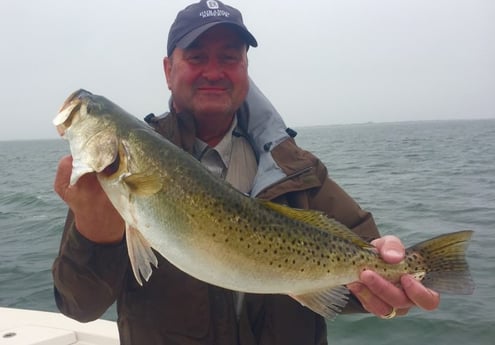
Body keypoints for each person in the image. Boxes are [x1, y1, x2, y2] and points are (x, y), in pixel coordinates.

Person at [52, 1, 440, 344]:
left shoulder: (299, 171)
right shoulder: (118, 178)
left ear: (246, 69)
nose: (214, 71)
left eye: (229, 57)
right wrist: (94, 234)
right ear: (169, 70)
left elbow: (363, 263)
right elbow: (78, 306)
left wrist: (390, 292)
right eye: (197, 56)